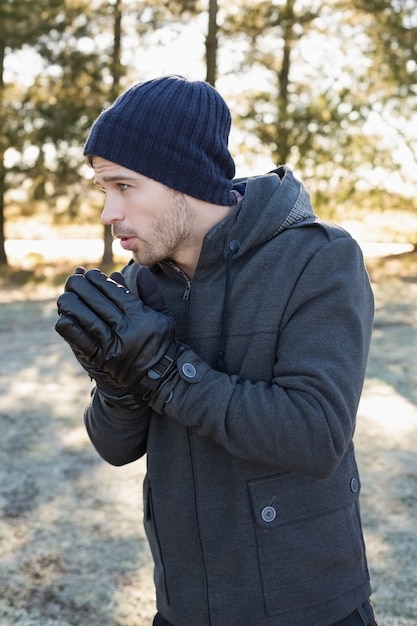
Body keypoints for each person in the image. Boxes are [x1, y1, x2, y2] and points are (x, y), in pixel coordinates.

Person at [55, 75, 378, 626]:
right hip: (184, 605)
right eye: (102, 189)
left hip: (307, 604)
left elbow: (315, 433)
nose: (109, 212)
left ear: (184, 180)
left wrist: (162, 372)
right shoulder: (139, 286)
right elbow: (115, 447)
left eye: (124, 186)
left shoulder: (316, 261)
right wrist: (114, 382)